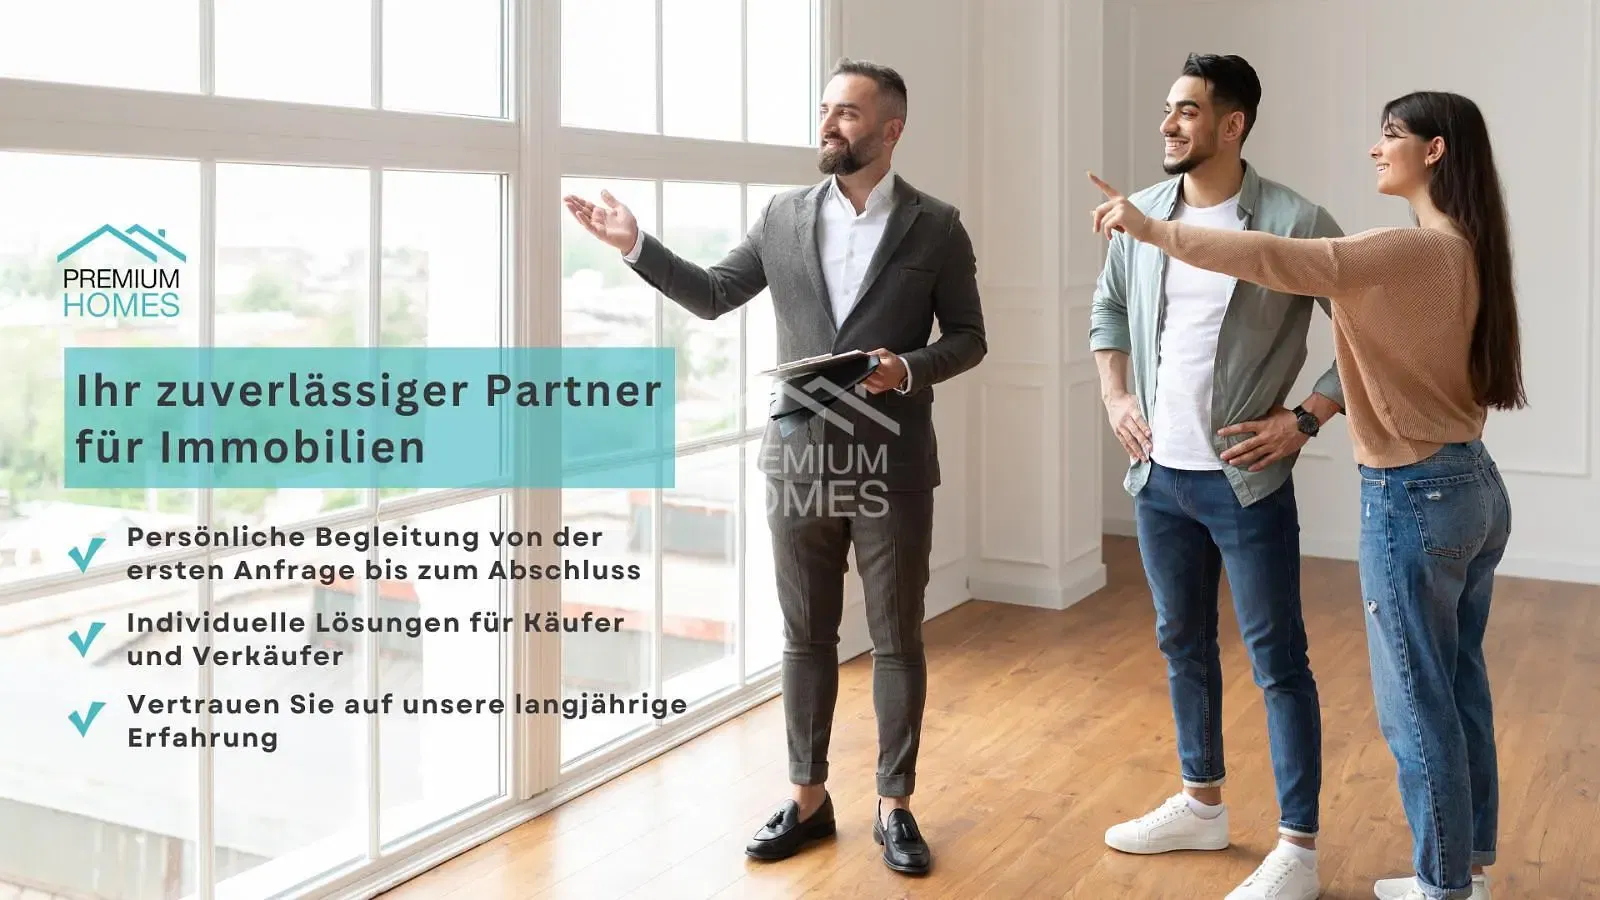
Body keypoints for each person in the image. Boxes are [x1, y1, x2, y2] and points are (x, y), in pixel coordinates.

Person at [1088, 87, 1523, 900]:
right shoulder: (1463, 247)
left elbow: (1277, 259)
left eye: (1390, 135)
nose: (1375, 148)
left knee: (1416, 707)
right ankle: (1464, 871)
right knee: (1457, 686)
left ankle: (1444, 888)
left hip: (1414, 493)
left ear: (1434, 151)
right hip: (1467, 484)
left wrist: (1148, 229)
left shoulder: (1412, 249)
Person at [563, 58, 986, 876]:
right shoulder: (784, 215)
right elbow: (717, 292)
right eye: (826, 108)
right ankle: (808, 797)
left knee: (897, 638)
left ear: (891, 129)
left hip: (890, 464)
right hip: (797, 463)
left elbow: (968, 338)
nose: (830, 124)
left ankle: (894, 806)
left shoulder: (936, 226)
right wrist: (636, 246)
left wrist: (909, 369)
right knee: (805, 638)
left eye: (850, 113)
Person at [1087, 53, 1342, 900]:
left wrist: (1305, 418)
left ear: (1232, 126)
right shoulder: (1146, 212)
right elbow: (1110, 309)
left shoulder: (1296, 220)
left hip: (1246, 484)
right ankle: (1202, 804)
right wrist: (1115, 391)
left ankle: (1298, 851)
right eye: (1167, 109)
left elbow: (1373, 334)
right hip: (1160, 481)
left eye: (1187, 111)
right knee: (1181, 644)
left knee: (1279, 661)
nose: (1167, 124)